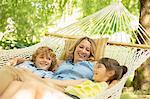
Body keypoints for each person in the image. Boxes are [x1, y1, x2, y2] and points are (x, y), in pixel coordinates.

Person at [0, 36, 97, 98]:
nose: (83, 51)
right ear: (75, 48)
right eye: (81, 47)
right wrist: (18, 60)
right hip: (48, 85)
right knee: (15, 82)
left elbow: (110, 76)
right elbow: (38, 61)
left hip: (64, 89)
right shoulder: (62, 63)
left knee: (13, 73)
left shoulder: (95, 66)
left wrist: (110, 89)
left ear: (90, 54)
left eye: (87, 50)